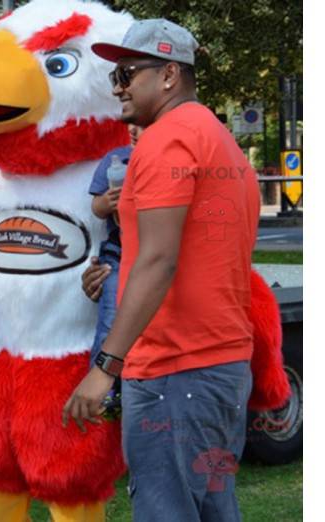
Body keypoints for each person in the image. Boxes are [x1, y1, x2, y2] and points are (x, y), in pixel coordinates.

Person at [63, 19, 260, 521]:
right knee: (213, 507)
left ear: (169, 75)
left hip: (176, 371)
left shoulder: (164, 141)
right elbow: (190, 253)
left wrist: (105, 368)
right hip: (219, 367)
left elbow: (159, 259)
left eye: (127, 74)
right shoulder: (218, 139)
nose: (118, 88)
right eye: (114, 77)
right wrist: (119, 276)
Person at [89, 125, 142, 413]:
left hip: (150, 256)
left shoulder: (168, 159)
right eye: (131, 125)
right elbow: (95, 206)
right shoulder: (116, 159)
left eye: (143, 124)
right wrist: (105, 203)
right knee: (110, 320)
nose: (135, 129)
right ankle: (104, 391)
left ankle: (132, 388)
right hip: (118, 255)